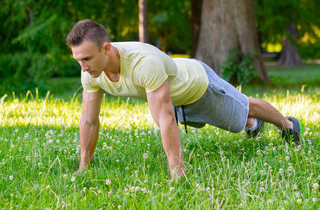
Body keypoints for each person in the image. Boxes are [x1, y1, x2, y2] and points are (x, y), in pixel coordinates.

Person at [66, 19, 304, 178]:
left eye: (87, 58)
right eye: (79, 60)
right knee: (237, 118)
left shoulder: (143, 62)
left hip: (198, 85)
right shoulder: (91, 72)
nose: (83, 67)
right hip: (175, 99)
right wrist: (83, 167)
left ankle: (288, 125)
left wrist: (177, 174)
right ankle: (251, 124)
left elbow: (166, 119)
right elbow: (89, 121)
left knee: (244, 105)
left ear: (106, 49)